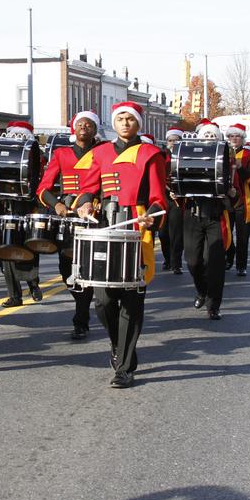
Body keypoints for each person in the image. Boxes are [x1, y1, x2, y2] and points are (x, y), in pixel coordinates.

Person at [80, 101, 167, 388]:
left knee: (131, 297)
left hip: (136, 225)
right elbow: (88, 189)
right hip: (105, 226)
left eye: (131, 119)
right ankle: (118, 345)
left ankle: (125, 367)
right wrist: (84, 206)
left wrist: (151, 218)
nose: (126, 124)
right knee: (103, 300)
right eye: (121, 119)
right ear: (114, 124)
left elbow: (158, 197)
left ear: (138, 124)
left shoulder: (151, 154)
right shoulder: (101, 152)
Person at [36, 110, 101, 340]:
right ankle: (82, 303)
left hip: (95, 217)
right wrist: (56, 205)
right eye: (80, 123)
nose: (84, 126)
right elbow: (43, 187)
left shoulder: (103, 152)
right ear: (73, 128)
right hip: (67, 218)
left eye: (89, 124)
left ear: (95, 129)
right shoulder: (62, 154)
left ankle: (80, 319)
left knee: (87, 267)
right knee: (66, 270)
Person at [183, 119, 235, 319]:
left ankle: (214, 305)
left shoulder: (227, 159)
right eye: (206, 136)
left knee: (214, 263)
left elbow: (236, 191)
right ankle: (201, 290)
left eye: (213, 136)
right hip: (193, 214)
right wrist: (175, 193)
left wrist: (232, 193)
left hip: (216, 216)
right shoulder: (189, 157)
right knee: (193, 261)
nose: (209, 139)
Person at [0, 120, 43, 309]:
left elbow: (38, 179)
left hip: (26, 207)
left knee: (27, 250)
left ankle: (32, 283)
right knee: (4, 252)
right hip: (5, 206)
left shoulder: (35, 154)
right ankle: (15, 295)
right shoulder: (2, 154)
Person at [224, 122, 250, 276]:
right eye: (231, 136)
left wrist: (241, 167)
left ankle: (241, 265)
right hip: (226, 199)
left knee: (242, 234)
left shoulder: (249, 155)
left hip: (242, 200)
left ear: (242, 138)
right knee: (225, 232)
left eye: (237, 136)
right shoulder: (223, 153)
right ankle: (229, 256)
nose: (234, 138)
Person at [159, 126, 185, 274]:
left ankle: (177, 263)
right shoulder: (162, 155)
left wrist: (179, 192)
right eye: (170, 140)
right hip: (163, 196)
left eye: (176, 140)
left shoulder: (184, 156)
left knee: (176, 233)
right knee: (162, 233)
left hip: (178, 199)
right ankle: (167, 259)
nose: (173, 143)